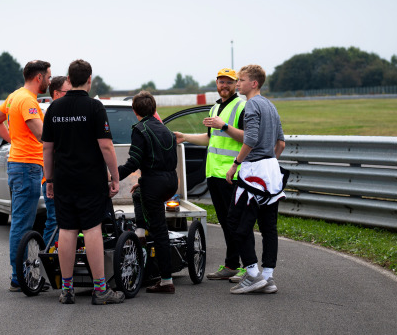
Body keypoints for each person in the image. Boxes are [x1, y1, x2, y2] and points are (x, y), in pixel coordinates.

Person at [42, 59, 125, 305]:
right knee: (91, 229)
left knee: (67, 230)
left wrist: (50, 179)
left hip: (64, 178)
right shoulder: (94, 107)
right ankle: (100, 289)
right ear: (90, 79)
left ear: (68, 78)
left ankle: (66, 289)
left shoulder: (54, 109)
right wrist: (115, 176)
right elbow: (106, 146)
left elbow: (47, 148)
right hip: (90, 178)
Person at [173, 68, 246, 280]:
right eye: (221, 82)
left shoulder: (242, 106)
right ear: (216, 83)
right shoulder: (215, 108)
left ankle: (247, 267)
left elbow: (247, 139)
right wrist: (185, 136)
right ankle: (232, 265)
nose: (224, 86)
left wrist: (223, 127)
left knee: (237, 222)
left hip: (233, 174)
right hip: (214, 174)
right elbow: (210, 139)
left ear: (235, 85)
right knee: (225, 222)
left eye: (229, 82)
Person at [0, 60, 51, 292]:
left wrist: (14, 140)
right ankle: (19, 277)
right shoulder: (27, 100)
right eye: (48, 76)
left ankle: (20, 275)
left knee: (21, 223)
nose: (50, 81)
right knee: (22, 225)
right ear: (38, 78)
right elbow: (41, 134)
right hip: (27, 166)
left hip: (19, 164)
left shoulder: (14, 96)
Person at [225, 64, 286, 294]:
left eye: (241, 80)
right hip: (272, 172)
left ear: (254, 83)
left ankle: (252, 274)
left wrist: (236, 164)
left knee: (237, 222)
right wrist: (270, 160)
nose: (237, 83)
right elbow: (281, 143)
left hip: (253, 174)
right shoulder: (271, 105)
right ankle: (268, 277)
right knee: (269, 227)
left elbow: (249, 139)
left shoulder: (251, 105)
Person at [118, 91, 178, 294]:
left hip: (155, 183)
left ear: (135, 111)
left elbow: (133, 162)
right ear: (154, 109)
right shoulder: (166, 130)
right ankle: (142, 233)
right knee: (138, 194)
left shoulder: (139, 129)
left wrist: (113, 176)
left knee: (159, 231)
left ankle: (166, 280)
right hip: (170, 181)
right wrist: (144, 182)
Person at [41, 76, 72, 247]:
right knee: (54, 221)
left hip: (61, 178)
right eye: (67, 92)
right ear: (57, 93)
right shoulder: (52, 113)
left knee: (64, 222)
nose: (70, 96)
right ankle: (49, 259)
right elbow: (48, 149)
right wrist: (50, 179)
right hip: (53, 178)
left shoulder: (64, 111)